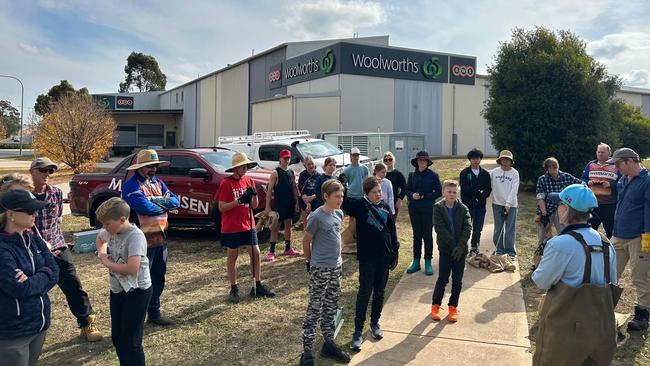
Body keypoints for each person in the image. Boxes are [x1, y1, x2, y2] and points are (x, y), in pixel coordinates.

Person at [532, 184, 619, 366]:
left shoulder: (560, 244)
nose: (557, 208)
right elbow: (613, 282)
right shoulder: (606, 244)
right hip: (601, 327)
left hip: (566, 330)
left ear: (567, 209)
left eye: (560, 204)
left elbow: (541, 281)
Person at [30, 157, 103, 341]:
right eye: (43, 170)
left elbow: (58, 220)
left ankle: (87, 323)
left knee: (73, 285)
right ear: (32, 171)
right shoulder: (24, 196)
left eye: (50, 171)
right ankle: (30, 329)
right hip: (33, 251)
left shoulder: (55, 193)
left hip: (57, 247)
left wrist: (53, 240)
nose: (47, 174)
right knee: (33, 289)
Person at [0, 189, 59, 366]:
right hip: (13, 333)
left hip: (38, 325)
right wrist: (44, 273)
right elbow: (18, 288)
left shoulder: (34, 240)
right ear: (10, 214)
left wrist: (35, 277)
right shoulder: (3, 249)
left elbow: (55, 271)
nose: (35, 214)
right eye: (29, 210)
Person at [122, 149, 180, 326]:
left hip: (160, 239)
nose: (153, 169)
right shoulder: (131, 186)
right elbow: (144, 207)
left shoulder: (158, 183)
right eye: (149, 166)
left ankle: (154, 313)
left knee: (158, 277)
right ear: (140, 167)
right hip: (140, 242)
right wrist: (164, 205)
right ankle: (136, 316)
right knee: (141, 280)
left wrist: (158, 202)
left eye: (155, 166)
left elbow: (176, 201)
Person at [343, 177, 399, 351]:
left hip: (384, 256)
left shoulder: (385, 207)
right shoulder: (360, 206)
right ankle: (358, 331)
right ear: (366, 193)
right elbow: (345, 203)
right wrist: (343, 183)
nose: (378, 195)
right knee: (365, 292)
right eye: (374, 192)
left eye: (379, 191)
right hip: (368, 258)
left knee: (379, 291)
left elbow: (392, 230)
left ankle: (375, 323)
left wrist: (395, 252)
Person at [95, 198, 152, 366]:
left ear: (122, 220)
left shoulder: (136, 236)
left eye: (107, 224)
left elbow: (132, 269)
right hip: (118, 290)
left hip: (137, 291)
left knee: (131, 341)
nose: (105, 228)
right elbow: (100, 239)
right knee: (118, 337)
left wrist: (108, 263)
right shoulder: (111, 230)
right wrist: (102, 253)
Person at [299, 179, 351, 366]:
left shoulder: (338, 213)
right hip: (320, 268)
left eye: (342, 195)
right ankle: (307, 351)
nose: (340, 199)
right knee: (315, 308)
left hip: (336, 267)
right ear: (326, 196)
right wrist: (309, 261)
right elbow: (306, 241)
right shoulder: (316, 216)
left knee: (330, 306)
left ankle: (329, 343)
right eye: (337, 196)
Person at [218, 152, 275, 303]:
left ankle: (257, 284)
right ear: (236, 168)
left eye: (247, 166)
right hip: (231, 225)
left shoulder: (248, 180)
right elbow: (222, 207)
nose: (245, 169)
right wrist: (238, 200)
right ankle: (234, 287)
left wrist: (254, 194)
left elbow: (254, 206)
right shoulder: (226, 183)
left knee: (255, 253)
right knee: (233, 255)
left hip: (247, 223)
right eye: (243, 166)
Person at [607, 147, 650, 331]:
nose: (616, 168)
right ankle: (603, 308)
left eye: (617, 164)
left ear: (629, 161)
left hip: (638, 238)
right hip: (618, 235)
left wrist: (647, 239)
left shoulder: (647, 181)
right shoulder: (623, 179)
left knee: (640, 277)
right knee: (609, 272)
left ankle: (642, 315)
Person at [430, 180, 471, 322]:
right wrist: (453, 245)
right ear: (443, 192)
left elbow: (468, 228)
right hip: (446, 250)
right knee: (443, 279)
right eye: (449, 191)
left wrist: (460, 246)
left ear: (457, 192)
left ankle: (453, 307)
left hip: (461, 250)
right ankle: (435, 305)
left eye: (454, 192)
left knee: (457, 281)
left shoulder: (463, 208)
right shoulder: (438, 208)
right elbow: (440, 228)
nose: (452, 194)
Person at [405, 150, 442, 275]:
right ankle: (416, 261)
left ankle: (427, 261)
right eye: (420, 160)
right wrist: (412, 195)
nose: (422, 162)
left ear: (427, 162)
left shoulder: (433, 175)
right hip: (414, 209)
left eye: (424, 160)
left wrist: (423, 196)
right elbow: (407, 190)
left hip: (427, 208)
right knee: (417, 235)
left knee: (427, 235)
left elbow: (438, 192)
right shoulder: (412, 175)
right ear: (417, 162)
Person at [535, 157, 582, 247]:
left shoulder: (566, 176)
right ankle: (540, 257)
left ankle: (564, 254)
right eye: (551, 166)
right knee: (543, 237)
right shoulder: (542, 179)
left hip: (562, 209)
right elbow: (540, 197)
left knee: (564, 233)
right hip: (546, 210)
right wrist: (544, 214)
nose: (554, 168)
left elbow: (580, 184)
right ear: (547, 168)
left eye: (555, 165)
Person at [264, 149, 301, 261]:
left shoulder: (291, 172)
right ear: (280, 159)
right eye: (285, 158)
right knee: (275, 227)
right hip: (279, 204)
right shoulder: (276, 173)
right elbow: (269, 190)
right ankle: (271, 251)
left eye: (288, 158)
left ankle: (288, 248)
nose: (287, 160)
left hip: (289, 203)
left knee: (288, 225)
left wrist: (297, 202)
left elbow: (294, 188)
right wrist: (267, 207)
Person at [581, 143, 620, 238]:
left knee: (610, 230)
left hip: (610, 204)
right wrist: (588, 182)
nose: (600, 154)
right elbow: (582, 180)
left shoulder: (616, 165)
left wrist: (611, 184)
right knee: (589, 230)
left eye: (603, 152)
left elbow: (623, 182)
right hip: (592, 204)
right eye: (599, 152)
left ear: (609, 153)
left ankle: (611, 250)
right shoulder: (591, 164)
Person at [459, 148, 492, 256]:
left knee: (478, 228)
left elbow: (488, 189)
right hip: (468, 205)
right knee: (465, 227)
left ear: (480, 159)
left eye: (477, 158)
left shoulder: (485, 174)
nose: (475, 160)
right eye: (473, 158)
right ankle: (463, 246)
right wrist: (479, 192)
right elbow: (465, 189)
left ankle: (474, 247)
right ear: (470, 160)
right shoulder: (464, 173)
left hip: (481, 206)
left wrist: (483, 194)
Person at [490, 150, 520, 260]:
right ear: (500, 160)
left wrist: (508, 204)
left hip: (511, 205)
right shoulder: (494, 172)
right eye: (503, 159)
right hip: (497, 203)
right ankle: (499, 250)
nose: (505, 161)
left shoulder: (514, 173)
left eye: (507, 159)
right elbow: (489, 185)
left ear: (511, 161)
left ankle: (511, 252)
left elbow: (514, 189)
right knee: (498, 228)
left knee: (510, 229)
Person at [297, 156, 321, 229]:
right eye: (308, 164)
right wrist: (307, 202)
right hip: (305, 199)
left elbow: (320, 190)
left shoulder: (318, 175)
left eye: (312, 164)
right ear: (305, 165)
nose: (311, 166)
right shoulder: (302, 175)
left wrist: (313, 197)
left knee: (316, 222)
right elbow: (301, 189)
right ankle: (306, 235)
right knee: (306, 223)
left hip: (315, 199)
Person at [383, 152, 406, 216]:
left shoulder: (398, 174)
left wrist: (399, 200)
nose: (388, 161)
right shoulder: (381, 174)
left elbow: (404, 188)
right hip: (381, 202)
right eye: (386, 160)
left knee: (391, 222)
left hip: (394, 201)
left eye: (390, 159)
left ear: (393, 160)